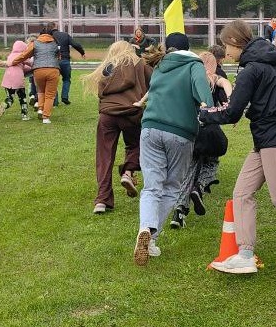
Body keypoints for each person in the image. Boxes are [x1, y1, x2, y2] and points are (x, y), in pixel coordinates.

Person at [199, 19, 276, 279]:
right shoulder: (271, 61)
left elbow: (232, 113)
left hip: (275, 138)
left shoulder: (251, 69)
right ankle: (244, 255)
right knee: (242, 192)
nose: (226, 52)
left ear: (233, 43)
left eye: (225, 46)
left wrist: (205, 114)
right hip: (265, 138)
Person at [133, 32, 213, 266]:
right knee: (171, 186)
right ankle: (152, 235)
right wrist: (208, 107)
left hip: (149, 128)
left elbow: (153, 91)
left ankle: (145, 229)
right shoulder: (194, 64)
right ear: (189, 48)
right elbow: (203, 95)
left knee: (151, 186)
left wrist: (141, 102)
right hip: (180, 133)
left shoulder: (160, 64)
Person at [82, 41, 152, 215]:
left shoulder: (107, 68)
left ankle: (102, 200)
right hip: (132, 112)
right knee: (136, 145)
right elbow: (155, 83)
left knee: (104, 157)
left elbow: (101, 93)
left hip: (107, 115)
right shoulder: (139, 64)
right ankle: (128, 172)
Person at [170, 50, 231, 229]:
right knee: (212, 162)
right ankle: (200, 186)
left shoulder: (185, 78)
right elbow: (224, 95)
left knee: (189, 169)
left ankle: (179, 212)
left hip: (188, 130)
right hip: (209, 131)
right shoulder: (215, 79)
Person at [11, 23, 60, 124]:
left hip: (38, 70)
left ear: (40, 34)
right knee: (50, 95)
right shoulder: (55, 43)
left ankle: (40, 109)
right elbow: (59, 57)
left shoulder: (35, 43)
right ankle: (45, 117)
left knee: (40, 91)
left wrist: (13, 62)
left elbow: (24, 55)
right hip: (53, 70)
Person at [0, 40, 32, 120]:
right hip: (18, 79)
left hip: (8, 79)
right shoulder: (22, 56)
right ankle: (24, 115)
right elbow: (29, 64)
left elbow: (19, 66)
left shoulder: (10, 55)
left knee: (10, 97)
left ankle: (5, 104)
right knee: (22, 98)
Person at [51, 22, 85, 105]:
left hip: (53, 61)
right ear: (57, 27)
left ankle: (55, 101)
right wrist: (82, 52)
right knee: (66, 79)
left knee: (53, 81)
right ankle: (64, 97)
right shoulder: (65, 35)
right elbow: (75, 44)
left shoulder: (48, 37)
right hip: (65, 60)